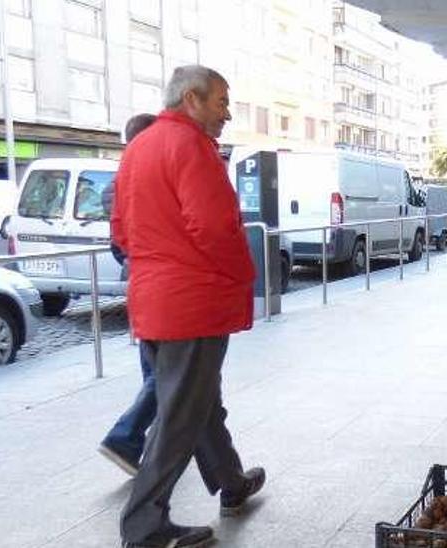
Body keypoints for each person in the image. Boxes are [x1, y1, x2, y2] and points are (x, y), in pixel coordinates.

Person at [112, 65, 265, 548]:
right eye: (221, 101)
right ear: (192, 99)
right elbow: (216, 228)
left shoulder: (139, 147)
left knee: (198, 401)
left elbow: (120, 230)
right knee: (180, 414)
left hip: (153, 299)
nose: (226, 112)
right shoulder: (192, 147)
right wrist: (244, 275)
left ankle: (230, 481)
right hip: (191, 302)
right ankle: (143, 525)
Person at [97, 113, 159, 477]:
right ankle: (126, 437)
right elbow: (125, 240)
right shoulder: (132, 181)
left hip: (142, 283)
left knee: (158, 372)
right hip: (154, 285)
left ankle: (153, 442)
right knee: (167, 377)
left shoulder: (121, 180)